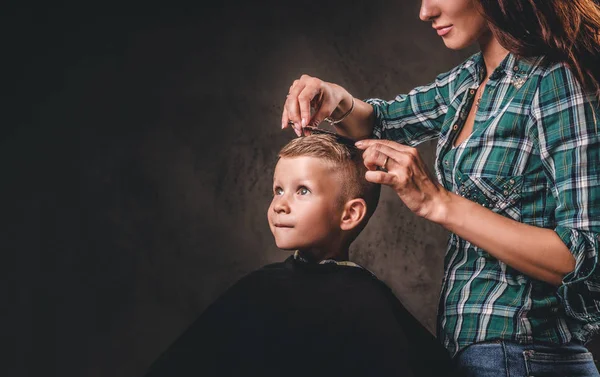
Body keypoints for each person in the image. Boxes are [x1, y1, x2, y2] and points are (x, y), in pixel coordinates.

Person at [281, 0, 600, 376]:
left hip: (527, 358)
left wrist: (439, 204)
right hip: (474, 356)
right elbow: (378, 122)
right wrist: (335, 99)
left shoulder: (554, 81)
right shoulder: (469, 81)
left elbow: (582, 259)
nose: (424, 12)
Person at [142, 133, 457, 377]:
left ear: (350, 214)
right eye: (278, 190)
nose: (280, 204)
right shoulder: (258, 289)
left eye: (302, 190)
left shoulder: (366, 305)